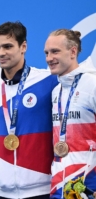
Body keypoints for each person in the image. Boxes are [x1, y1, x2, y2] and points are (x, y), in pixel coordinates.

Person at [0, 21, 58, 199]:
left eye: (7, 46)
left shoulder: (48, 81)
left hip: (40, 191)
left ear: (23, 46)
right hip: (2, 193)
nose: (1, 53)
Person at [44, 29, 96, 198]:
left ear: (73, 51)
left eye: (55, 51)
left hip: (89, 184)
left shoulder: (92, 85)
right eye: (47, 53)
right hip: (60, 185)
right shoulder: (56, 91)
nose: (49, 58)